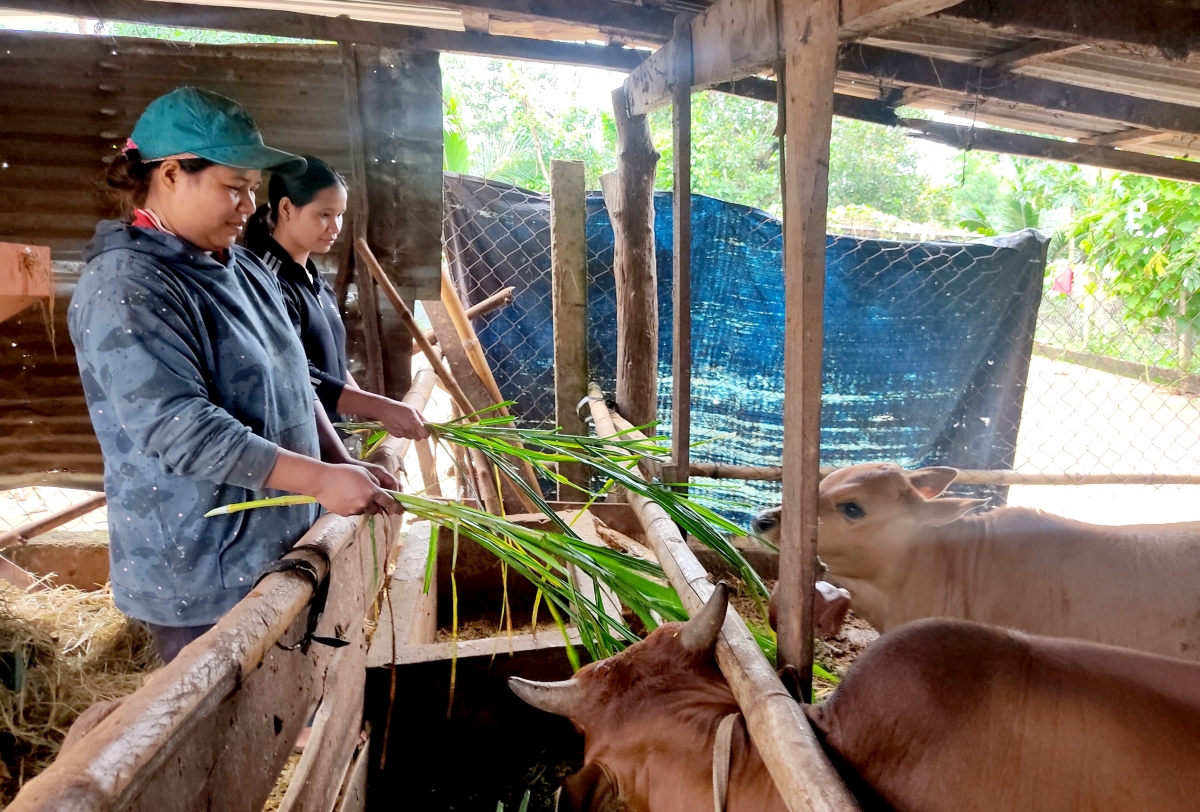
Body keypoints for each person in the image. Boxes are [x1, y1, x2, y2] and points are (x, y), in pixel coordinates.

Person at [69, 87, 402, 664]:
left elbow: (295, 378)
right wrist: (320, 481)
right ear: (171, 174)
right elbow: (183, 429)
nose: (248, 206)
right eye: (232, 187)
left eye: (252, 190)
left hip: (278, 546)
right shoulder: (127, 286)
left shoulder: (244, 268)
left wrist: (338, 462)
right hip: (201, 574)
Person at [243, 156, 429, 442]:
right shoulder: (266, 281)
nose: (337, 227)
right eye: (324, 214)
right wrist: (381, 406)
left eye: (340, 214)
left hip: (331, 441)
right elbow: (296, 375)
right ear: (286, 209)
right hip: (295, 445)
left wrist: (371, 412)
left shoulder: (313, 278)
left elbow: (333, 362)